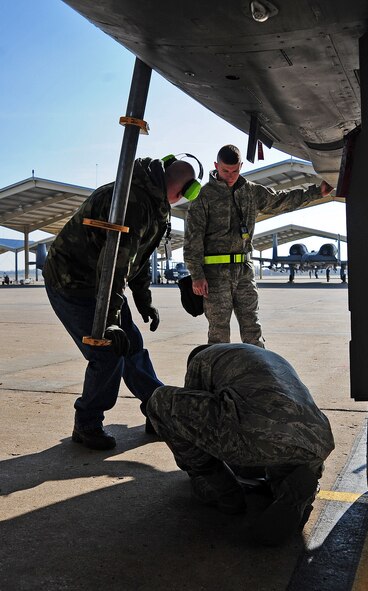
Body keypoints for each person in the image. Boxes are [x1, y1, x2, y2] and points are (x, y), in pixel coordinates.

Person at [43, 156, 197, 450]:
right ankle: (87, 422)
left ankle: (157, 408)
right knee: (107, 351)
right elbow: (113, 265)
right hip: (73, 282)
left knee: (132, 346)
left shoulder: (154, 202)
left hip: (102, 283)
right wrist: (112, 319)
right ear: (185, 191)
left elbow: (137, 258)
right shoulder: (131, 202)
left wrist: (143, 300)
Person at [147, 343, 335, 545]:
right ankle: (287, 488)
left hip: (255, 433)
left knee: (160, 401)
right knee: (279, 446)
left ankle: (221, 490)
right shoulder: (264, 357)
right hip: (316, 438)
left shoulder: (201, 360)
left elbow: (195, 426)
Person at [184, 145, 333, 346]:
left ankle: (257, 375)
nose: (231, 176)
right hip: (215, 275)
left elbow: (282, 201)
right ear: (216, 166)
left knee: (252, 329)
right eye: (225, 171)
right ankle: (219, 376)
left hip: (244, 272)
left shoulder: (251, 192)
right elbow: (193, 238)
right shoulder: (203, 196)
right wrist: (197, 276)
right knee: (218, 333)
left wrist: (317, 192)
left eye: (235, 170)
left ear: (241, 166)